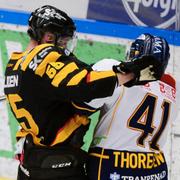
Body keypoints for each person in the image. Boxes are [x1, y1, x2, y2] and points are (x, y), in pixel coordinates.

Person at [3, 5, 160, 180]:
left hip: (30, 163)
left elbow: (57, 88)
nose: (64, 47)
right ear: (48, 37)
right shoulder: (45, 56)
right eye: (62, 41)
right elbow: (83, 86)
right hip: (57, 168)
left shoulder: (15, 63)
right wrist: (128, 74)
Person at [73, 33, 178, 180]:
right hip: (156, 168)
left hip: (112, 162)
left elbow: (79, 105)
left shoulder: (111, 68)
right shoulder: (174, 87)